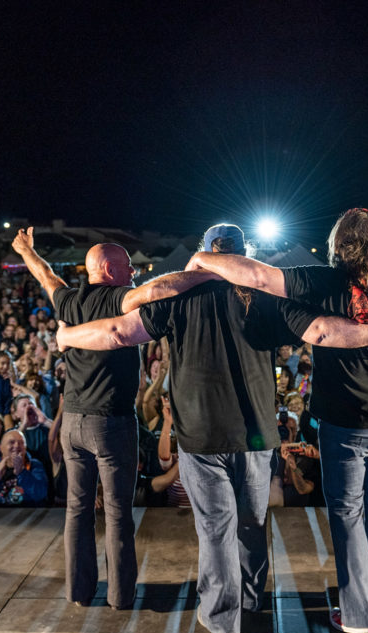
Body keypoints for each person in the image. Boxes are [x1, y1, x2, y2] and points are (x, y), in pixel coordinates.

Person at [57, 221, 368, 633]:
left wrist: (68, 336)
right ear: (244, 254)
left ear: (207, 251)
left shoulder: (180, 296)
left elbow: (118, 333)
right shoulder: (266, 297)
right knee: (249, 524)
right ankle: (249, 600)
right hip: (257, 436)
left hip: (201, 435)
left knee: (215, 528)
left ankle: (223, 619)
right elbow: (321, 330)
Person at [185, 209, 368, 633]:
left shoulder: (321, 280)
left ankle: (360, 615)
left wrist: (204, 259)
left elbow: (258, 276)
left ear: (337, 243)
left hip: (344, 423)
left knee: (347, 513)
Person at [14, 227, 217, 611]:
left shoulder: (70, 302)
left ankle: (79, 592)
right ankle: (121, 595)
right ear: (109, 269)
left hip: (73, 422)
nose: (134, 274)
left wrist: (26, 250)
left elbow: (46, 276)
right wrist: (209, 270)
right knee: (118, 513)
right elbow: (158, 289)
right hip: (110, 424)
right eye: (128, 268)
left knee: (77, 510)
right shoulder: (121, 299)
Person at [0, 428, 48, 507]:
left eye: (21, 443)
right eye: (11, 442)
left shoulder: (35, 465)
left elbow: (41, 495)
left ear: (25, 448)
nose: (17, 446)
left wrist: (22, 472)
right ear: (1, 448)